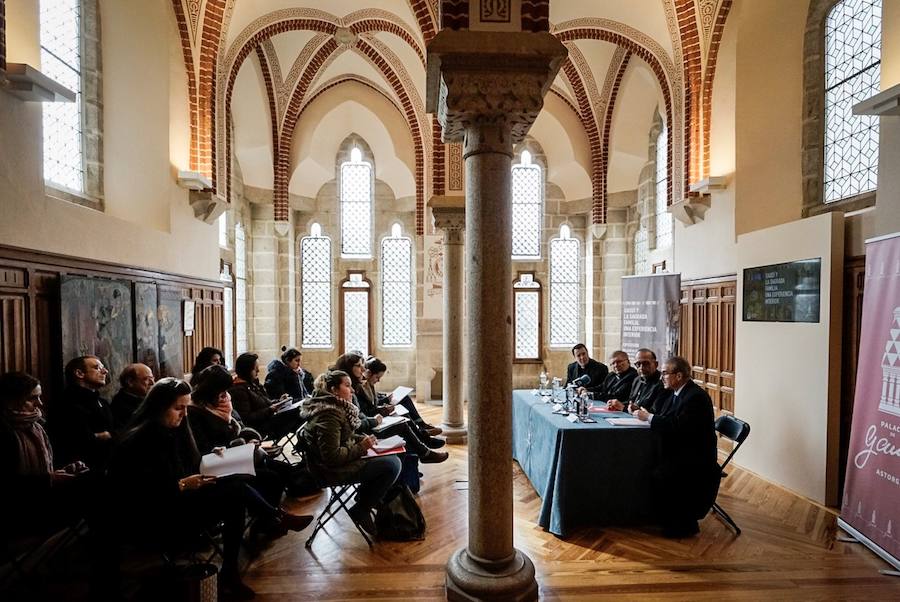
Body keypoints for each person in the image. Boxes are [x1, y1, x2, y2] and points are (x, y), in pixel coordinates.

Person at [109, 378, 310, 599]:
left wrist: (210, 457)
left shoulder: (175, 429)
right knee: (236, 493)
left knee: (238, 486)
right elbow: (136, 491)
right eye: (178, 408)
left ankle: (235, 568)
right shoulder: (139, 439)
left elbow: (187, 465)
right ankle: (272, 521)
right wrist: (183, 484)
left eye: (186, 407)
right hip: (158, 511)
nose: (184, 414)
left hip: (184, 497)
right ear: (159, 406)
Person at [189, 365, 314, 536]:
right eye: (221, 390)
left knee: (276, 474)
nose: (225, 394)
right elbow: (205, 447)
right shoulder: (196, 412)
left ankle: (267, 523)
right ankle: (273, 520)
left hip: (237, 456)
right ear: (210, 390)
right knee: (268, 477)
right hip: (218, 464)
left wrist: (248, 440)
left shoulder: (224, 401)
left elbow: (239, 426)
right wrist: (238, 442)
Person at [300, 370, 401, 537]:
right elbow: (332, 458)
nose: (353, 390)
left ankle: (369, 500)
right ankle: (362, 508)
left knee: (395, 456)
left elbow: (344, 436)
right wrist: (361, 447)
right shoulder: (328, 415)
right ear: (333, 390)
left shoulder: (335, 407)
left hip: (341, 461)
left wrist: (363, 439)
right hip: (330, 471)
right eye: (347, 386)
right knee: (392, 464)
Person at [633, 356, 719, 538]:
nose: (662, 377)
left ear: (678, 376)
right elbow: (665, 416)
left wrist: (648, 417)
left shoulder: (695, 397)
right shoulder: (676, 392)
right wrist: (649, 415)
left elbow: (678, 426)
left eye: (665, 373)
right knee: (643, 461)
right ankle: (657, 516)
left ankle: (680, 524)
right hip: (680, 448)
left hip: (694, 456)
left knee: (656, 470)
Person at [0, 371, 91, 526]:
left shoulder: (37, 426)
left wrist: (65, 471)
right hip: (15, 513)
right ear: (11, 400)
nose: (40, 403)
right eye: (32, 398)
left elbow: (46, 467)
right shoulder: (4, 430)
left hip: (42, 501)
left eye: (40, 396)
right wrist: (49, 479)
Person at [333, 353, 447, 462]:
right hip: (365, 431)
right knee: (402, 424)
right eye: (358, 366)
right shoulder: (353, 390)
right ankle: (424, 449)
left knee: (402, 417)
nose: (363, 369)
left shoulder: (356, 386)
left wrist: (381, 409)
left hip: (368, 424)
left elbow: (361, 413)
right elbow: (359, 419)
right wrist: (376, 418)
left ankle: (423, 442)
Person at [47, 356, 114, 471]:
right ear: (79, 373)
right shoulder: (66, 403)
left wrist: (106, 435)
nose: (105, 371)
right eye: (97, 368)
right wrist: (101, 436)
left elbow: (116, 431)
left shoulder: (102, 402)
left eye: (103, 367)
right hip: (79, 469)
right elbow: (77, 440)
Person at [360, 356, 442, 436]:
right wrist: (385, 404)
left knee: (404, 399)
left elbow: (374, 400)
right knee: (401, 412)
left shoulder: (368, 384)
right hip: (375, 417)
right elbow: (369, 408)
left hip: (377, 411)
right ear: (368, 373)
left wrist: (385, 399)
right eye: (377, 377)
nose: (378, 380)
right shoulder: (361, 387)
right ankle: (420, 432)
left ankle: (421, 429)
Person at [230, 352, 303, 439]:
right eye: (255, 368)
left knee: (303, 410)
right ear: (247, 370)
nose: (258, 371)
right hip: (260, 427)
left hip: (269, 419)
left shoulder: (253, 384)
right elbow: (246, 418)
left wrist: (279, 401)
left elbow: (264, 402)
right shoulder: (238, 390)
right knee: (301, 413)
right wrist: (270, 410)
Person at [609, 348, 665, 413]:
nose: (641, 367)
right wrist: (616, 404)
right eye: (638, 364)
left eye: (646, 363)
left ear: (656, 364)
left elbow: (654, 412)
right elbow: (632, 402)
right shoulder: (637, 380)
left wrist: (623, 408)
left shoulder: (662, 383)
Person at [111, 363, 155, 430]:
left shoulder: (149, 400)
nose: (152, 383)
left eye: (152, 378)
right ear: (130, 382)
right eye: (146, 379)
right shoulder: (120, 406)